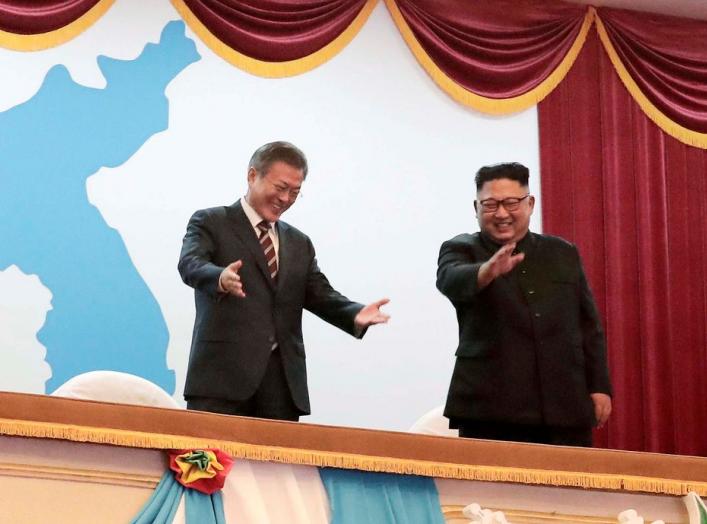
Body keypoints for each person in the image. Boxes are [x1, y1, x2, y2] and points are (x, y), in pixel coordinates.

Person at [178, 141, 389, 421]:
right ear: (253, 176)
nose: (286, 198)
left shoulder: (298, 242)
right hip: (221, 382)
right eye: (280, 188)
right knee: (216, 464)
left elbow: (317, 292)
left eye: (295, 192)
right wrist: (219, 277)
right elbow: (190, 264)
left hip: (281, 388)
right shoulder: (212, 221)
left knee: (279, 465)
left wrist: (354, 313)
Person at [436, 162, 612, 446]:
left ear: (530, 203)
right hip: (491, 411)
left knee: (572, 486)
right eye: (491, 204)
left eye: (511, 203)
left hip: (566, 406)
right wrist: (488, 270)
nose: (502, 213)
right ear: (476, 207)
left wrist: (599, 386)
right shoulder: (461, 248)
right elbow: (450, 279)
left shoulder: (562, 252)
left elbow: (588, 325)